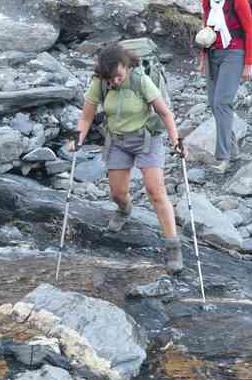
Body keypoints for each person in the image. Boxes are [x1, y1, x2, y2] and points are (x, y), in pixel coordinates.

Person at [77, 42, 185, 274]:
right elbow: (86, 118)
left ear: (126, 66)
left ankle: (173, 246)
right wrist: (78, 139)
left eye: (118, 76)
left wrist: (176, 141)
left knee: (155, 191)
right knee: (117, 193)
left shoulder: (140, 80)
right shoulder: (100, 82)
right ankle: (125, 209)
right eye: (110, 79)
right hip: (117, 140)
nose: (114, 82)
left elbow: (165, 113)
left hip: (147, 139)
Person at [199, 0, 252, 174]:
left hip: (235, 52)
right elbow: (206, 28)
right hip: (213, 51)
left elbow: (249, 31)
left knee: (222, 102)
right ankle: (233, 148)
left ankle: (222, 157)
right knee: (213, 103)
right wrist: (202, 58)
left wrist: (248, 63)